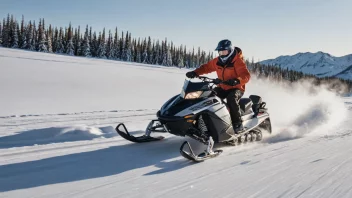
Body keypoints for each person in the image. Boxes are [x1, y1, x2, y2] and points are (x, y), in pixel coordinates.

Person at [186, 39, 250, 133]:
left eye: (224, 51)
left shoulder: (237, 61)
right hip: (223, 87)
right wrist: (195, 72)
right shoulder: (217, 61)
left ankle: (238, 124)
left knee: (231, 99)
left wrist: (237, 80)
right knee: (208, 97)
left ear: (230, 50)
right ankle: (205, 121)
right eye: (220, 52)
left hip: (236, 87)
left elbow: (246, 75)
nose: (222, 54)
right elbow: (206, 67)